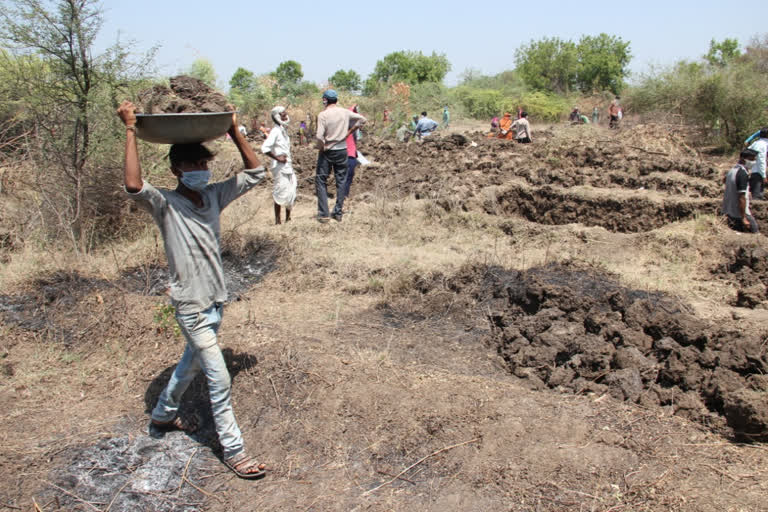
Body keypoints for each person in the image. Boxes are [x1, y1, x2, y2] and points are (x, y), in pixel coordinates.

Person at [116, 100, 268, 480]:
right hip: (191, 306)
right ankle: (234, 450)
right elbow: (134, 185)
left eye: (203, 164)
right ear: (175, 171)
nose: (200, 170)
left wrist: (234, 131)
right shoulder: (165, 204)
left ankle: (164, 414)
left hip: (216, 300)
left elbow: (256, 172)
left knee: (189, 364)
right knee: (217, 376)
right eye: (192, 165)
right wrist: (131, 129)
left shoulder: (215, 195)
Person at [315, 89, 366, 222]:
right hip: (342, 149)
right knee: (341, 180)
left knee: (321, 180)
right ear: (336, 100)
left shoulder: (323, 115)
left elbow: (319, 136)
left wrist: (321, 147)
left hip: (327, 151)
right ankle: (338, 212)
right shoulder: (344, 112)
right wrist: (351, 130)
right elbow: (362, 119)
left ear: (324, 100)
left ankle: (324, 214)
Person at [262, 106, 297, 224]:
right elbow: (265, 148)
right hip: (280, 167)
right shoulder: (275, 131)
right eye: (283, 114)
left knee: (291, 191)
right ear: (277, 116)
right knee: (280, 191)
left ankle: (288, 218)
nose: (286, 116)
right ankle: (278, 221)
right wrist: (277, 158)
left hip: (288, 165)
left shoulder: (283, 130)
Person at [722, 148, 759, 233]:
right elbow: (741, 198)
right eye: (751, 159)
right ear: (743, 158)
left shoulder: (733, 170)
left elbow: (724, 180)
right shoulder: (742, 173)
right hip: (739, 212)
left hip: (729, 210)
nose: (753, 162)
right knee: (755, 232)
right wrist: (744, 218)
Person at [343, 105, 361, 208]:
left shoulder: (350, 128)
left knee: (346, 177)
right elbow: (361, 119)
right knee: (346, 177)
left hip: (349, 154)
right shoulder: (347, 127)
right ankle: (344, 197)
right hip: (348, 155)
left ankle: (344, 196)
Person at [747, 127, 768, 200]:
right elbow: (761, 160)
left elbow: (746, 154)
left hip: (753, 171)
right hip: (758, 173)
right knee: (757, 196)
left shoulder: (755, 143)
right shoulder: (764, 145)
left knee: (755, 193)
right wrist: (764, 175)